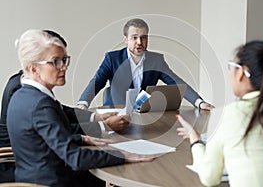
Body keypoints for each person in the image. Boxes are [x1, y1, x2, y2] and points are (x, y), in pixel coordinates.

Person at [6, 29, 154, 187]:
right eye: (56, 61)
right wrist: (124, 155)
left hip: (31, 177)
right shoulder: (40, 105)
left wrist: (81, 138)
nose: (63, 67)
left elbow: (43, 139)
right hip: (52, 181)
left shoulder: (22, 96)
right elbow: (74, 158)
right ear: (33, 69)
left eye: (64, 60)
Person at [176, 41, 263, 187]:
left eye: (231, 67)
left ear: (241, 73)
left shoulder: (228, 114)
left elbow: (210, 177)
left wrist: (195, 139)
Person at [77, 18, 214, 110]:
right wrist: (83, 103)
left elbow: (176, 82)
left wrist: (199, 102)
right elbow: (97, 82)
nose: (139, 42)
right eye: (134, 37)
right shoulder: (112, 59)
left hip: (144, 115)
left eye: (143, 37)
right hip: (115, 113)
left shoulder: (156, 60)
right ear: (125, 39)